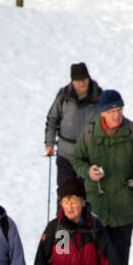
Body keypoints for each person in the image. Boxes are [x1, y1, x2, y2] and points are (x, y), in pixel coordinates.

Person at [71, 89, 133, 265]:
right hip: (96, 202)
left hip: (123, 203)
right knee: (95, 251)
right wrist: (87, 171)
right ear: (102, 113)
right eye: (112, 111)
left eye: (119, 110)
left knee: (119, 250)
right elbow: (77, 159)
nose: (117, 115)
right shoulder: (89, 132)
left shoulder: (132, 131)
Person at [44, 62, 102, 190]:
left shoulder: (99, 96)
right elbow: (52, 118)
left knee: (87, 195)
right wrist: (49, 143)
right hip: (65, 154)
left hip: (89, 156)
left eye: (84, 79)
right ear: (72, 81)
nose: (82, 83)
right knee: (65, 193)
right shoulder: (64, 96)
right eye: (78, 80)